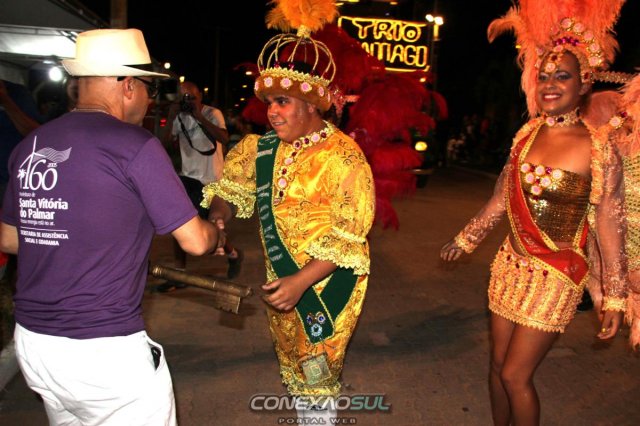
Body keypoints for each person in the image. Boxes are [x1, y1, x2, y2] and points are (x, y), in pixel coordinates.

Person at [0, 28, 224, 425]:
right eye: (148, 88)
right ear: (128, 84)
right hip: (102, 351)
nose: (149, 99)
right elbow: (194, 242)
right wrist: (217, 228)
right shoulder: (133, 145)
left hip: (35, 343)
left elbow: (10, 239)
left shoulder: (31, 145)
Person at [440, 1, 630, 424]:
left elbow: (608, 223)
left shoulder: (598, 148)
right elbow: (501, 197)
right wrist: (467, 238)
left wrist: (614, 296)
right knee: (496, 367)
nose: (549, 84)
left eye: (562, 76)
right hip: (510, 264)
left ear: (584, 83)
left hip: (556, 274)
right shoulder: (527, 132)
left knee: (515, 375)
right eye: (543, 76)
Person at [202, 1, 374, 422]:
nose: (272, 112)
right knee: (293, 366)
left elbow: (349, 240)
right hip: (282, 282)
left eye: (282, 102)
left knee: (317, 373)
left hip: (328, 285)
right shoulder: (259, 149)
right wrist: (219, 217)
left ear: (312, 105)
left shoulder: (345, 158)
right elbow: (230, 191)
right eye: (269, 103)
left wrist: (300, 281)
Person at [155, 81, 241, 292]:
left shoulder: (212, 113)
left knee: (210, 226)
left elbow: (224, 138)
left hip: (211, 180)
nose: (187, 102)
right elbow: (161, 145)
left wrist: (199, 117)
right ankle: (180, 273)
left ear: (200, 96)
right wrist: (172, 117)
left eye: (191, 97)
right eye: (183, 98)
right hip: (188, 179)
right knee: (181, 224)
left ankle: (233, 253)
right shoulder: (180, 117)